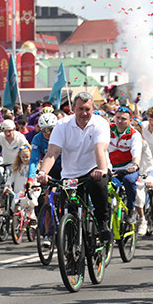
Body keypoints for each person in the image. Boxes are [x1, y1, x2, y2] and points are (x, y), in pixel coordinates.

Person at [36, 91, 112, 242]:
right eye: (80, 109)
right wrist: (43, 172)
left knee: (99, 188)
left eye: (87, 109)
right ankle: (71, 244)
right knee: (68, 207)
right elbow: (53, 152)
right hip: (71, 173)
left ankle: (102, 224)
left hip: (94, 169)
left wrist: (102, 170)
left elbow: (100, 149)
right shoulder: (62, 125)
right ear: (74, 109)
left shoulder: (100, 123)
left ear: (93, 108)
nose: (84, 113)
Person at [108, 106, 142, 224]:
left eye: (124, 119)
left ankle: (131, 209)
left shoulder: (134, 134)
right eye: (117, 118)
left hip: (128, 168)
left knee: (129, 180)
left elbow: (136, 151)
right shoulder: (108, 129)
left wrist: (135, 164)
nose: (120, 121)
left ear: (130, 121)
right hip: (111, 168)